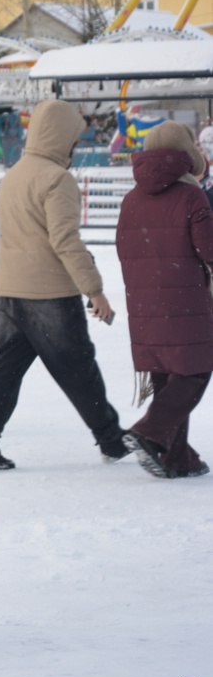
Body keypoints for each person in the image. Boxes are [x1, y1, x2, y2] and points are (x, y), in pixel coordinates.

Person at [0, 99, 130, 471]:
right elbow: (65, 240)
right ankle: (111, 439)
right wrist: (94, 290)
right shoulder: (56, 179)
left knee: (6, 367)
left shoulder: (16, 174)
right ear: (62, 138)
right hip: (48, 293)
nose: (74, 149)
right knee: (77, 365)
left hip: (10, 289)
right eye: (73, 141)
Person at [115, 121, 213, 478]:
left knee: (166, 378)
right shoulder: (191, 195)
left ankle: (176, 458)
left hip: (144, 301)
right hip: (185, 299)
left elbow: (124, 248)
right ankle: (148, 432)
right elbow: (209, 248)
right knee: (194, 371)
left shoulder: (131, 198)